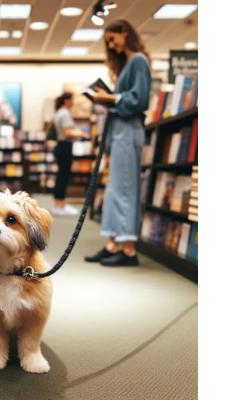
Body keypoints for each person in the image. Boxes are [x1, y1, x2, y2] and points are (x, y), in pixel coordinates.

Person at [84, 20, 152, 267]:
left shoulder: (138, 61)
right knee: (115, 189)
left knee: (124, 188)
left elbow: (140, 99)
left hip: (128, 130)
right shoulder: (127, 65)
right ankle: (113, 243)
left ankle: (129, 249)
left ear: (126, 33)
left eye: (113, 39)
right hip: (120, 131)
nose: (111, 45)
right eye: (108, 42)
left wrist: (109, 97)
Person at [51, 92, 86, 216]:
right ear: (66, 100)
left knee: (61, 175)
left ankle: (58, 204)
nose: (74, 102)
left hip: (61, 146)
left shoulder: (59, 112)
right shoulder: (64, 113)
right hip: (65, 146)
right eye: (72, 99)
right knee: (63, 176)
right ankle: (60, 205)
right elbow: (67, 132)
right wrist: (82, 134)